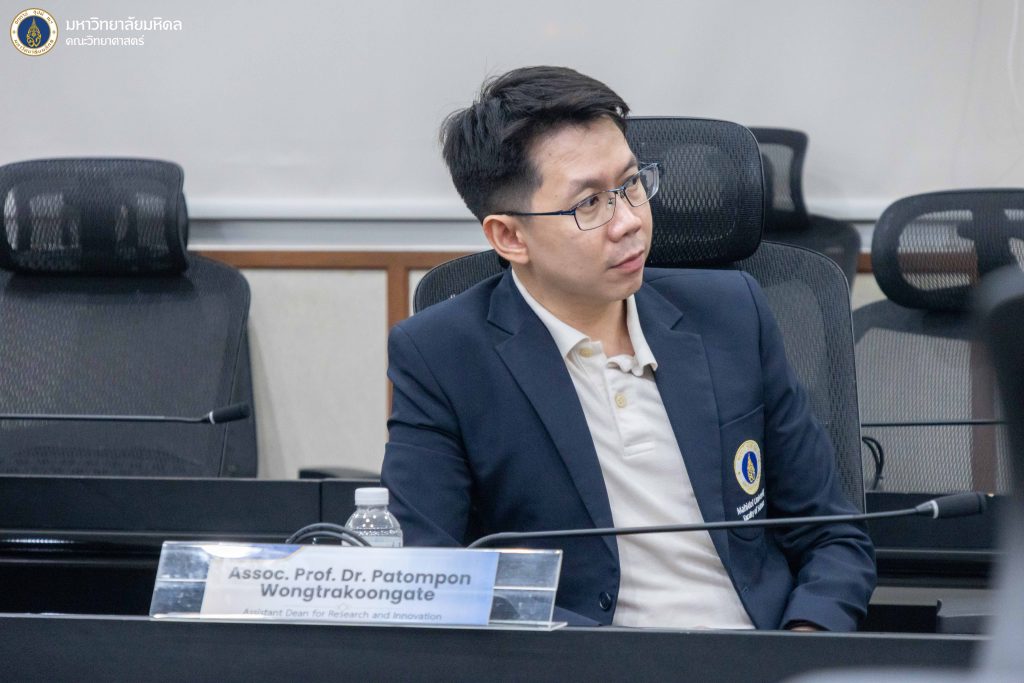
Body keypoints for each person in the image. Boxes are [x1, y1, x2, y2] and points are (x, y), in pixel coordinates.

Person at [381, 65, 875, 630]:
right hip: (582, 660)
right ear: (510, 237)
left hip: (763, 651)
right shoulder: (443, 355)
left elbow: (832, 534)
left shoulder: (734, 314)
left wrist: (804, 639)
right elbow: (429, 574)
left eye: (632, 184)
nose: (630, 221)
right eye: (589, 204)